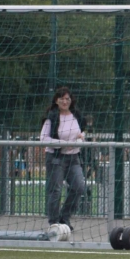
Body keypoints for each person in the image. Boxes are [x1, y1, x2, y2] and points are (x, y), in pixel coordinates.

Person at [39, 86, 87, 232]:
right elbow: (43, 139)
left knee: (79, 186)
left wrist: (80, 138)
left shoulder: (76, 115)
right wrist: (63, 144)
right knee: (56, 190)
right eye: (61, 99)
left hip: (73, 157)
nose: (65, 101)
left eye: (67, 98)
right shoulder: (52, 117)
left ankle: (64, 217)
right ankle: (54, 222)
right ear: (56, 100)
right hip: (56, 157)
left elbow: (82, 132)